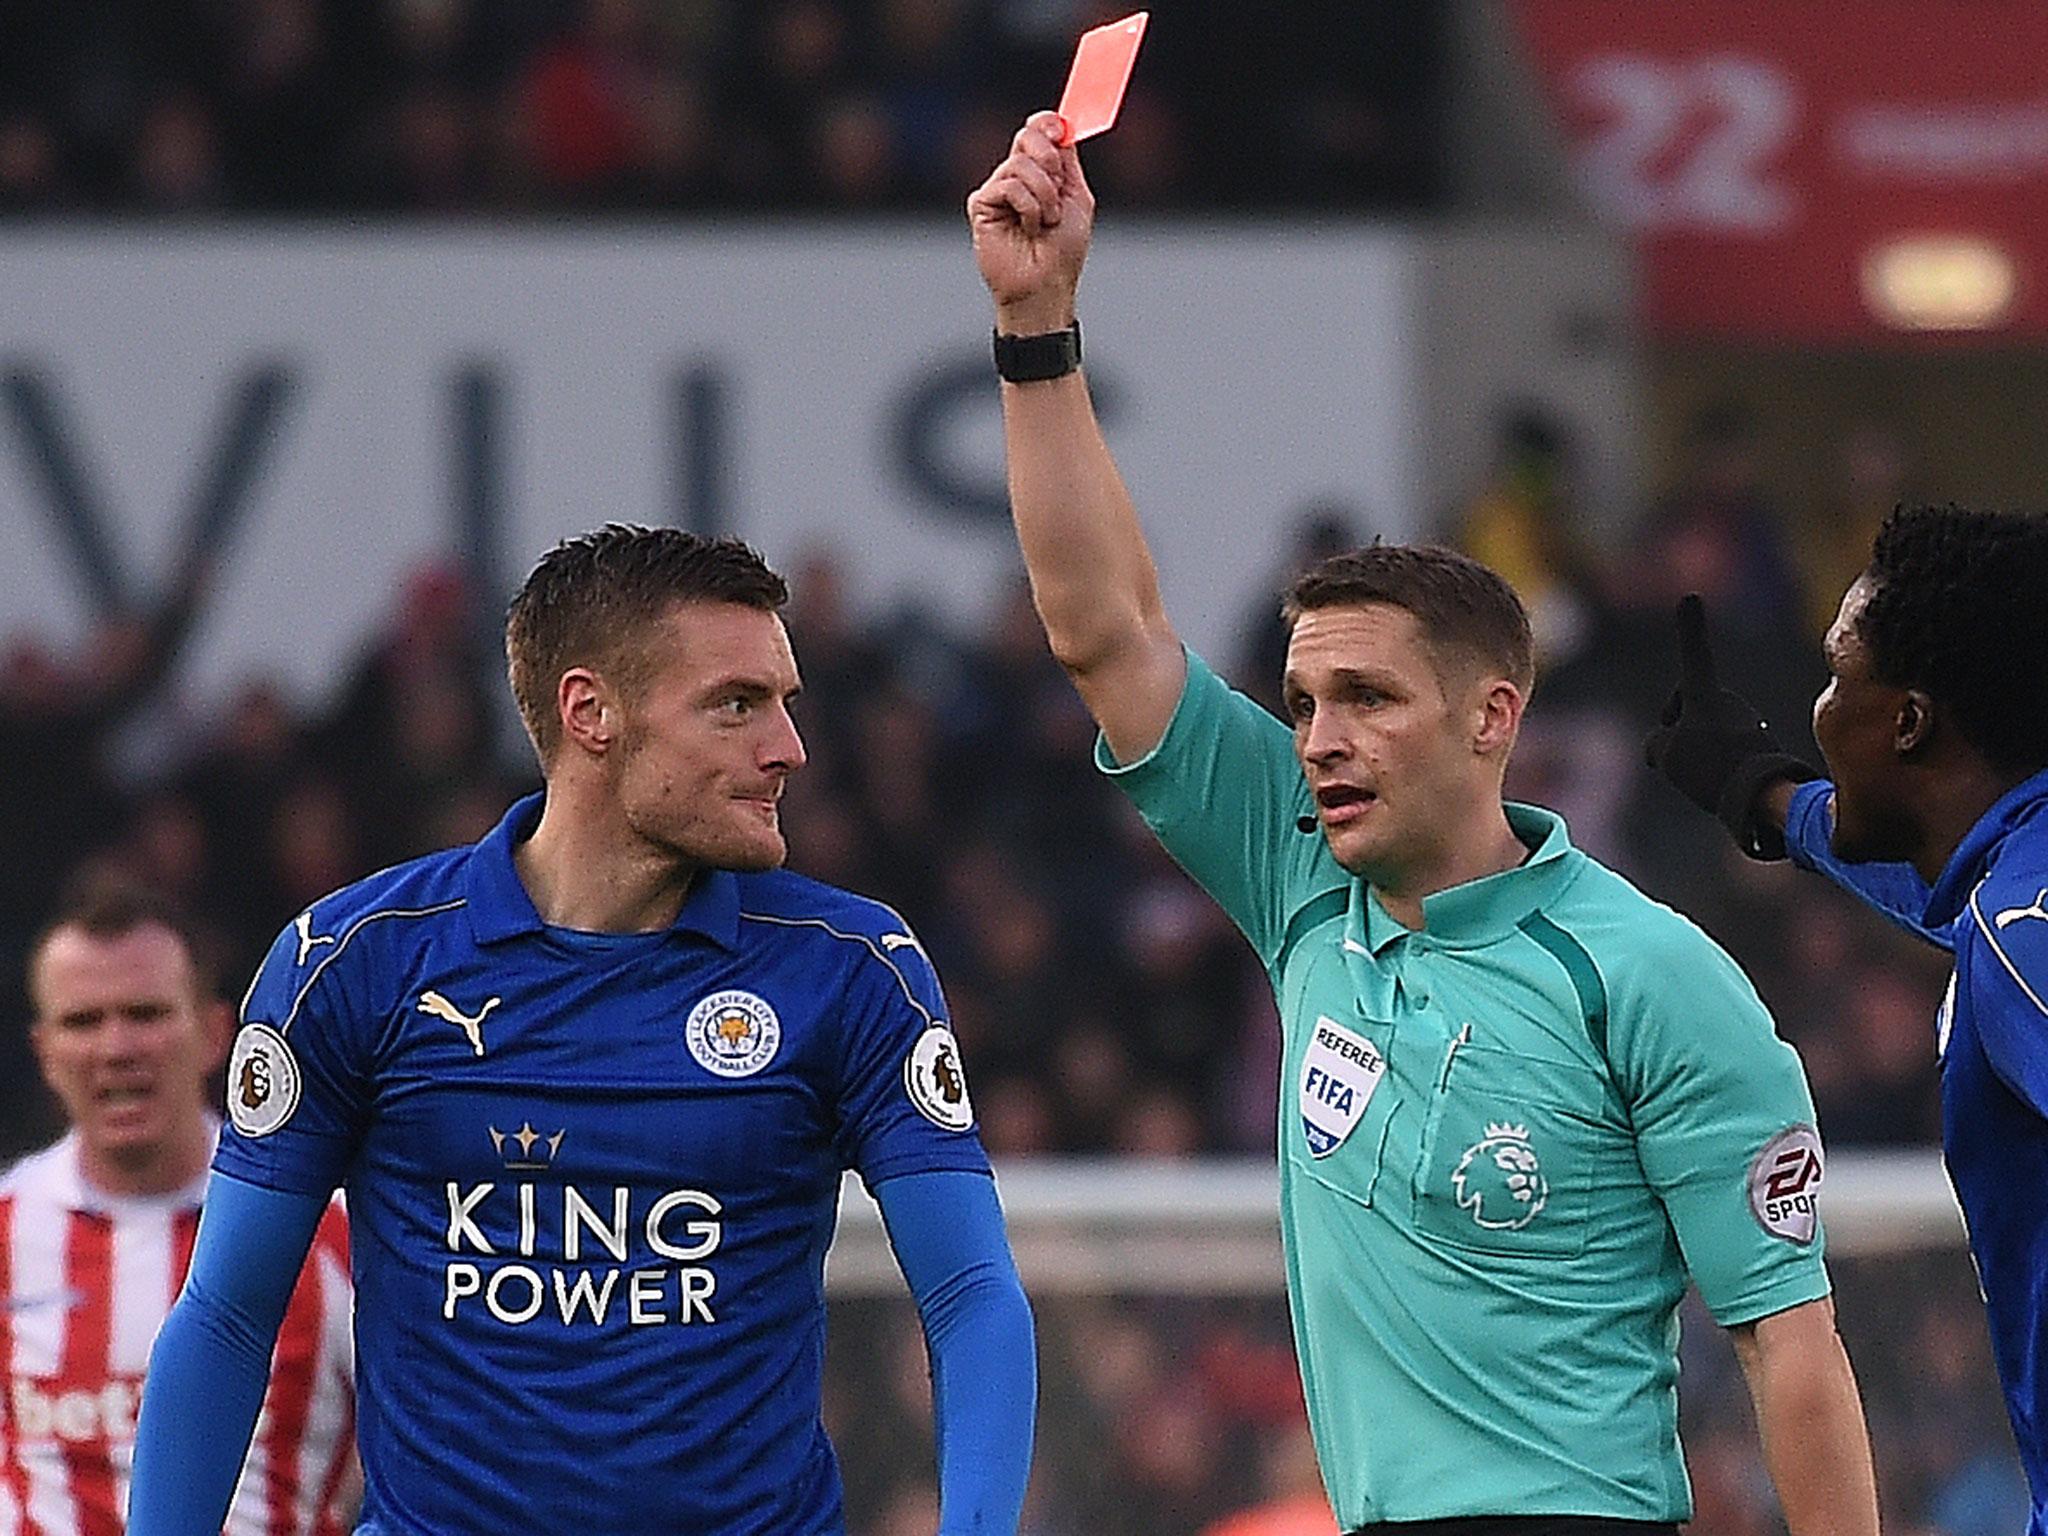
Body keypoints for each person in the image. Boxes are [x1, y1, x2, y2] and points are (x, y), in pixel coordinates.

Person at [967, 111, 1879, 1535]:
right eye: (1305, 699)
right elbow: (1108, 630)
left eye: (1369, 699)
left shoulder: (1649, 978)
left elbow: (1791, 1349)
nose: (1320, 738)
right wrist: (1037, 323)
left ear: (1493, 717)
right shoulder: (1300, 879)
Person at [129, 527, 1036, 1534]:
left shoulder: (848, 968)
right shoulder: (354, 964)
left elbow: (970, 1298)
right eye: (735, 705)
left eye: (783, 703)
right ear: (589, 711)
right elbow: (224, 1317)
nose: (788, 747)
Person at [1645, 503, 2048, 1535]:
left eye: (1835, 677)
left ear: (1906, 722)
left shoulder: (2019, 931)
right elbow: (1940, 890)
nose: (1816, 707)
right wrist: (1765, 799)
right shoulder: (2010, 877)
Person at [5, 877, 355, 1535]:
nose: (117, 1049)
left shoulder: (333, 1234)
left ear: (216, 1032)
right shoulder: (4, 1235)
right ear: (44, 1054)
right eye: (83, 1021)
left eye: (146, 1014)